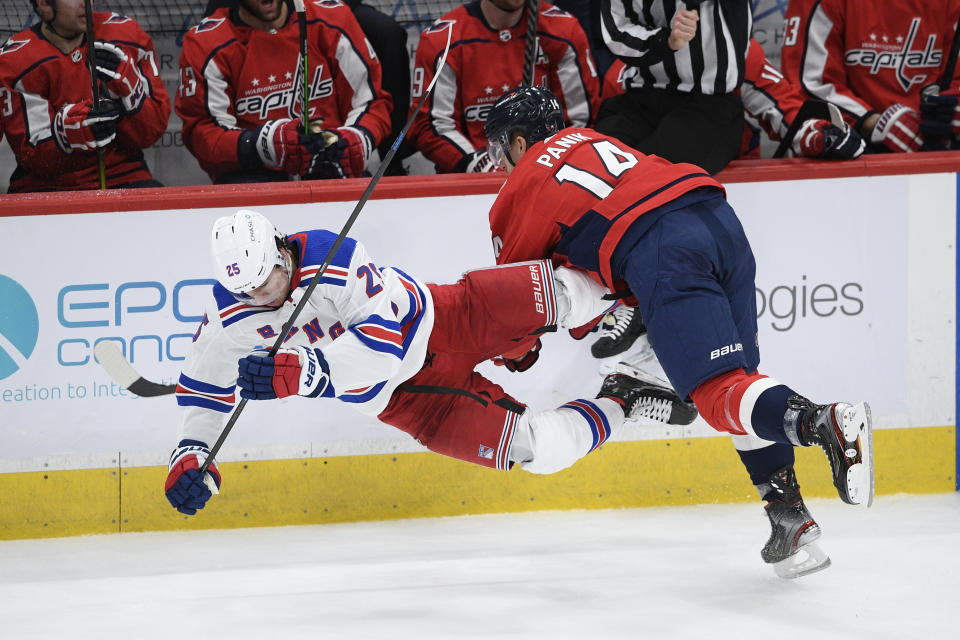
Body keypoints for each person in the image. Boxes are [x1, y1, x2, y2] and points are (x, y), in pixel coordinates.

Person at [482, 86, 875, 579]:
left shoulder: (520, 189)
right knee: (742, 383)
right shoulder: (591, 138)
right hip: (715, 217)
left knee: (716, 393)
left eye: (500, 148)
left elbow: (517, 304)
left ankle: (826, 423)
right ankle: (789, 516)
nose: (498, 163)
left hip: (663, 249)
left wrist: (510, 354)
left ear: (520, 142)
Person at [164, 209, 698, 517]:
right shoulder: (227, 315)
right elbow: (203, 391)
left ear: (282, 253)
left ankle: (634, 299)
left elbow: (382, 346)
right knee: (541, 450)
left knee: (549, 290)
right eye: (249, 291)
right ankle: (624, 399)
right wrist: (191, 455)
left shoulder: (332, 255)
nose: (263, 297)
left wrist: (303, 371)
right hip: (414, 403)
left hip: (444, 317)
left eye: (268, 281)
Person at [177, 0, 392, 184]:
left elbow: (372, 102)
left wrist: (356, 138)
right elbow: (202, 135)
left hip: (329, 168)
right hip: (253, 177)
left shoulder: (331, 19)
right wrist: (263, 144)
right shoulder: (206, 43)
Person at [406, 0, 600, 174]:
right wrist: (483, 166)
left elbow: (580, 118)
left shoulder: (562, 30)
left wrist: (545, 164)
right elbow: (431, 126)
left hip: (550, 175)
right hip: (470, 181)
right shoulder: (443, 39)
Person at [0, 0, 170, 192]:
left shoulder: (125, 34)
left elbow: (152, 131)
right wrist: (72, 134)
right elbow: (34, 159)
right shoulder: (17, 61)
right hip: (47, 187)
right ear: (45, 4)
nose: (86, 2)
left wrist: (131, 91)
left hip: (125, 175)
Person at [602, 38, 866, 160]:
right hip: (646, 204)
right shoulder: (623, 73)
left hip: (730, 194)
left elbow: (787, 112)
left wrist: (822, 136)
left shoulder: (739, 54)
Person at [595, 0, 751, 174]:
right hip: (642, 97)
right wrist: (665, 41)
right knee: (595, 164)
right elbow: (617, 31)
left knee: (652, 176)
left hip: (709, 103)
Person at [785, 0, 960, 152]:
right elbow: (808, 84)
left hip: (934, 141)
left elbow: (954, 78)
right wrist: (877, 123)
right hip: (850, 146)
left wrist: (952, 107)